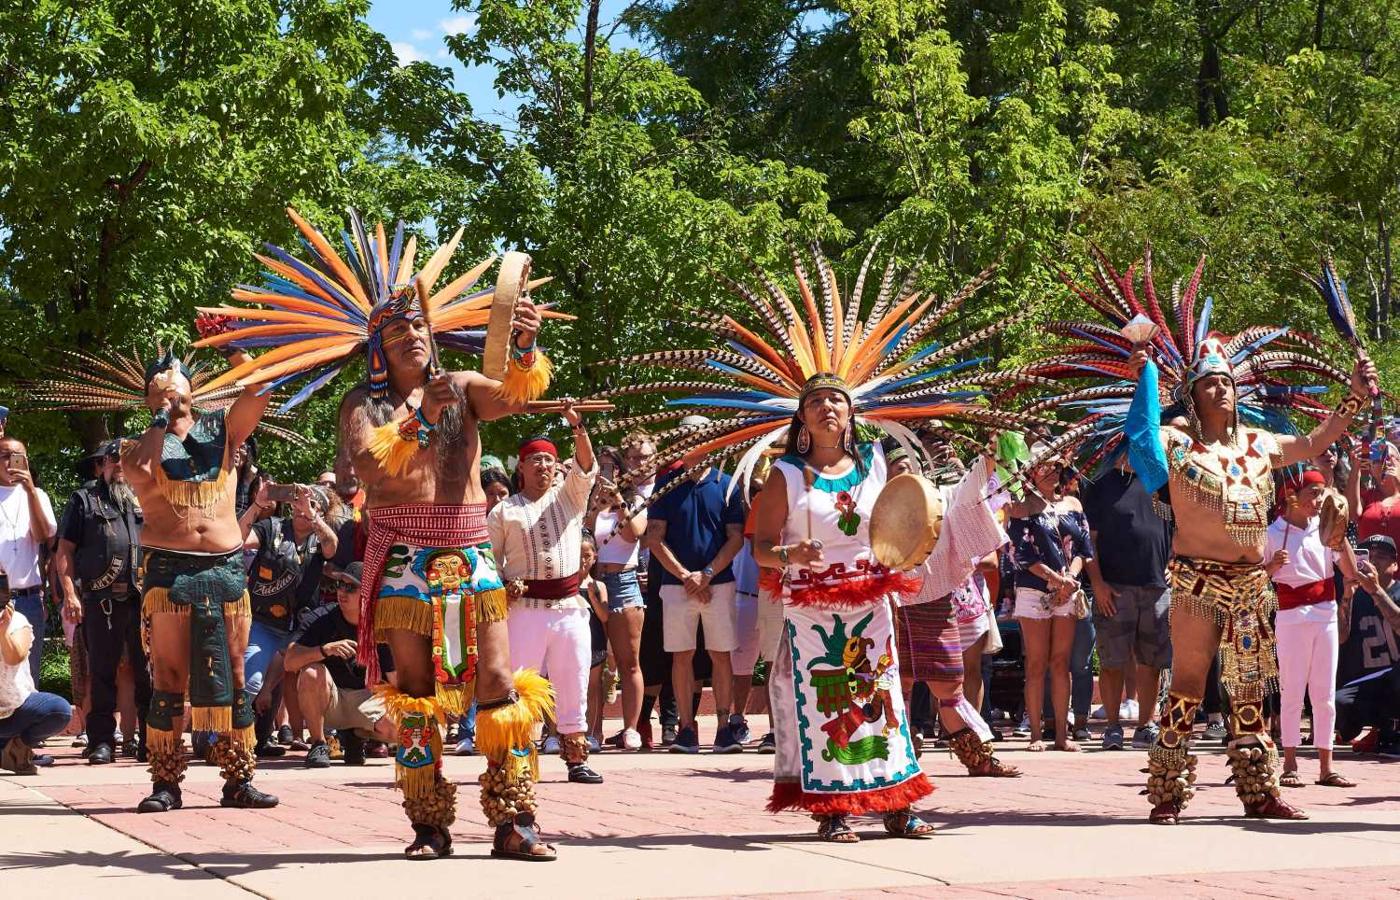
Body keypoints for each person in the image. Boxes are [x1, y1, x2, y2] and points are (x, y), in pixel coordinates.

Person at [1123, 334, 1375, 825]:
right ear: (1192, 395)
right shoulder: (1175, 444)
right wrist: (1146, 377)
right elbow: (1140, 440)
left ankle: (1259, 791)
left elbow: (1315, 442)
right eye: (1209, 384)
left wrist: (1354, 395)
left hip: (1251, 584)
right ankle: (1168, 792)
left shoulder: (1260, 444)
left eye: (1226, 382)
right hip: (1197, 581)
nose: (1220, 390)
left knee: (1250, 692)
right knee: (1189, 686)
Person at [119, 346, 279, 813]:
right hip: (170, 569)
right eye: (160, 378)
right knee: (168, 675)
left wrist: (238, 353)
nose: (170, 379)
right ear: (149, 396)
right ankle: (166, 782)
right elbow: (142, 472)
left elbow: (258, 390)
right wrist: (160, 421)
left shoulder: (223, 429)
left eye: (177, 375)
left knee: (233, 671)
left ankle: (239, 778)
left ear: (194, 387)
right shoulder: (137, 445)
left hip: (225, 566)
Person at [488, 419, 603, 785]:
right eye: (535, 460)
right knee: (520, 685)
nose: (542, 466)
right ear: (520, 467)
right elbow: (489, 561)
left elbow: (585, 467)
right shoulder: (504, 511)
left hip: (569, 607)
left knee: (574, 681)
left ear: (557, 467)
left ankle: (576, 758)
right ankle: (518, 756)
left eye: (549, 461)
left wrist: (579, 428)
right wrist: (505, 585)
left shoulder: (570, 497)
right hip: (524, 611)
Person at [644, 415, 746, 755]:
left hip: (719, 583)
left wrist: (707, 573)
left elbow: (736, 538)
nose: (693, 444)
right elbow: (654, 538)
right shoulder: (666, 485)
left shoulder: (728, 485)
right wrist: (687, 575)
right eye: (687, 437)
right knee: (681, 655)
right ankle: (686, 729)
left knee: (721, 654)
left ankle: (723, 728)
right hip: (677, 586)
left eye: (700, 437)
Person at [53, 440, 147, 765]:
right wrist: (69, 592)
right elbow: (64, 550)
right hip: (100, 600)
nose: (119, 464)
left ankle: (151, 739)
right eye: (113, 459)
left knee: (146, 672)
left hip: (141, 599)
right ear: (102, 463)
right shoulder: (84, 499)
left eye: (126, 459)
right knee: (102, 673)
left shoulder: (145, 498)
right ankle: (102, 741)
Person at [1265, 469, 1360, 788]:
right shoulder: (1273, 533)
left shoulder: (1325, 529)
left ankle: (1326, 766)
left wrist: (1340, 536)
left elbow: (1349, 571)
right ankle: (1290, 763)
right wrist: (1271, 567)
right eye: (1312, 494)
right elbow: (1255, 574)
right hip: (1291, 615)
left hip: (1325, 612)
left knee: (1324, 692)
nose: (1318, 501)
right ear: (1293, 496)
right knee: (1292, 690)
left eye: (1321, 494)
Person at [238, 482, 339, 757]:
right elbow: (237, 538)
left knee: (286, 678)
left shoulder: (321, 537)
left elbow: (332, 548)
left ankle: (267, 738)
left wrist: (313, 516)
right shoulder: (272, 527)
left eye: (309, 503)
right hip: (264, 621)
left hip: (301, 628)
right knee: (251, 679)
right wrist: (257, 505)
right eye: (297, 502)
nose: (300, 507)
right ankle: (224, 740)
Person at [1082, 455, 1172, 751]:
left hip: (1157, 586)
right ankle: (1112, 727)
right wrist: (1098, 583)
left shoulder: (1164, 483)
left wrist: (1173, 562)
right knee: (1112, 661)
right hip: (1115, 587)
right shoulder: (1100, 484)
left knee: (1152, 661)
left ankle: (1146, 725)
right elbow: (1089, 541)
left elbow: (1180, 528)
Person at [1008, 450, 1092, 752]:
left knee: (1061, 662)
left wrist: (1069, 579)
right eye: (1045, 467)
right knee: (1036, 662)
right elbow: (1020, 554)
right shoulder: (1021, 509)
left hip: (1067, 588)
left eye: (1057, 467)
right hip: (1034, 588)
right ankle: (1034, 734)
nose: (1052, 472)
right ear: (1032, 472)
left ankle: (1060, 734)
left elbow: (1084, 547)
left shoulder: (1073, 504)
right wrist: (1056, 581)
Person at [283, 562, 396, 766]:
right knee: (311, 672)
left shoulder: (381, 624)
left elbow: (396, 678)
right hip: (330, 702)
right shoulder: (320, 618)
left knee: (400, 727)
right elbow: (289, 662)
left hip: (367, 699)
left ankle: (357, 736)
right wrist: (324, 650)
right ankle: (319, 743)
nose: (342, 592)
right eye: (340, 585)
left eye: (351, 587)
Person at [588, 468, 647, 750]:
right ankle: (593, 730)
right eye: (602, 471)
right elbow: (584, 539)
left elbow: (636, 533)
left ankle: (631, 729)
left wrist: (619, 500)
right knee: (594, 661)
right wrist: (594, 507)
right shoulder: (594, 504)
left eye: (612, 469)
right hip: (595, 581)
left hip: (624, 581)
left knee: (629, 661)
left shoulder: (634, 502)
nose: (606, 478)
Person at [0, 435, 57, 686]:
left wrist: (30, 490)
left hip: (29, 599)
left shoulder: (38, 495)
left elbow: (44, 536)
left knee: (27, 679)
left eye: (18, 456)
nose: (11, 462)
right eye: (5, 456)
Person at [1337, 534, 1400, 754]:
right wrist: (1346, 597)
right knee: (1339, 704)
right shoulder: (1355, 595)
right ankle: (1380, 730)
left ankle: (1394, 733)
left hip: (1396, 674)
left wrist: (1376, 590)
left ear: (1395, 564)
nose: (1373, 560)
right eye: (1367, 556)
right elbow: (1340, 638)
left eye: (1381, 556)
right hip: (1369, 680)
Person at [0, 594, 72, 774]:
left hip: (15, 709)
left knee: (58, 709)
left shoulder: (17, 620)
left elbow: (14, 657)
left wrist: (2, 631)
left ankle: (17, 747)